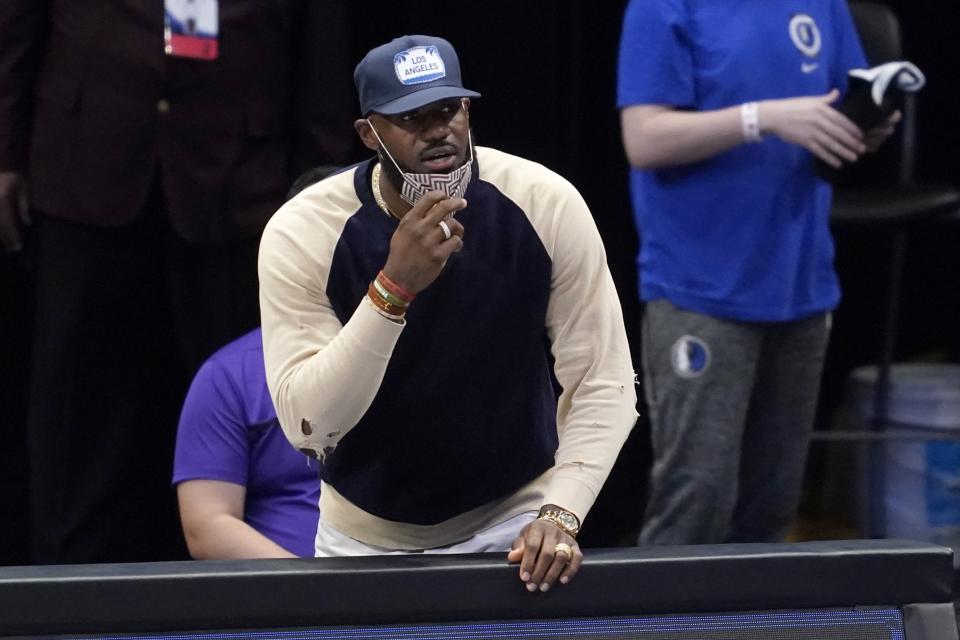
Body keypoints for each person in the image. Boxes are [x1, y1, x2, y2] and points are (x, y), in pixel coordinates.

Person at [258, 35, 637, 593]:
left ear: (467, 110)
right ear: (369, 134)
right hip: (360, 539)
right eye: (410, 118)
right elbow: (310, 425)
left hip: (514, 524)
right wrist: (392, 289)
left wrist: (560, 513)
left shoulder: (545, 201)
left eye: (447, 110)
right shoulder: (304, 230)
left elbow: (603, 381)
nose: (437, 132)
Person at [0, 1, 356, 563]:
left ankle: (255, 592)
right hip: (86, 163)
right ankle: (65, 601)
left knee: (249, 399)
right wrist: (6, 153)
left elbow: (323, 47)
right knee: (77, 417)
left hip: (240, 181)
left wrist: (324, 193)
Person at [616, 0, 900, 544]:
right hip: (702, 285)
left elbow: (836, 107)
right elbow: (645, 139)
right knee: (697, 498)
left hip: (800, 283)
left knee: (772, 503)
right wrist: (762, 118)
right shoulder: (664, 7)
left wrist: (868, 124)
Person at [172, 167, 339, 560]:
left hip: (410, 594)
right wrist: (319, 598)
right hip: (286, 608)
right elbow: (206, 524)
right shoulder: (228, 376)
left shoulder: (426, 354)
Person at [173, 327, 319, 559]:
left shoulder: (390, 362)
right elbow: (206, 525)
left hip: (391, 573)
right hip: (284, 588)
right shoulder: (228, 375)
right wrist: (318, 589)